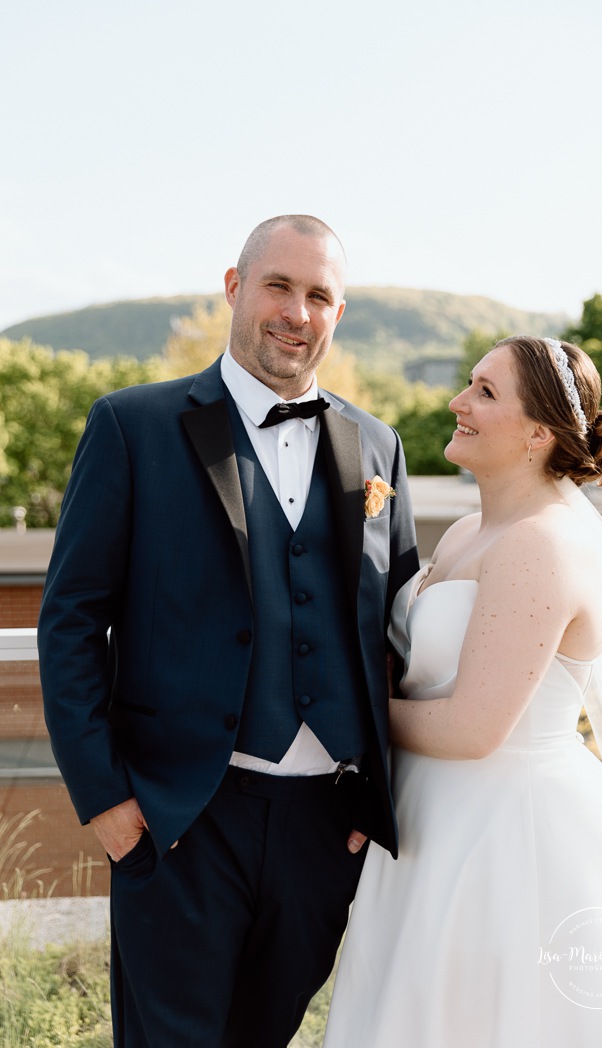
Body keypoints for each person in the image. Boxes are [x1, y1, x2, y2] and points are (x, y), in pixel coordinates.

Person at [38, 214, 419, 1048]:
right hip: (180, 821)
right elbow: (69, 619)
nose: (296, 311)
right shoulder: (132, 426)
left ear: (338, 314)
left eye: (319, 295)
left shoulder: (376, 445)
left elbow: (394, 635)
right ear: (234, 288)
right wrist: (106, 800)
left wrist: (375, 793)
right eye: (278, 285)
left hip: (325, 825)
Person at [323, 336, 602, 1047]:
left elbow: (473, 729)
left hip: (506, 837)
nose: (456, 403)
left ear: (539, 433)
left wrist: (333, 706)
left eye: (485, 393)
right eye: (468, 384)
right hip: (429, 821)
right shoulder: (469, 529)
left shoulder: (540, 544)